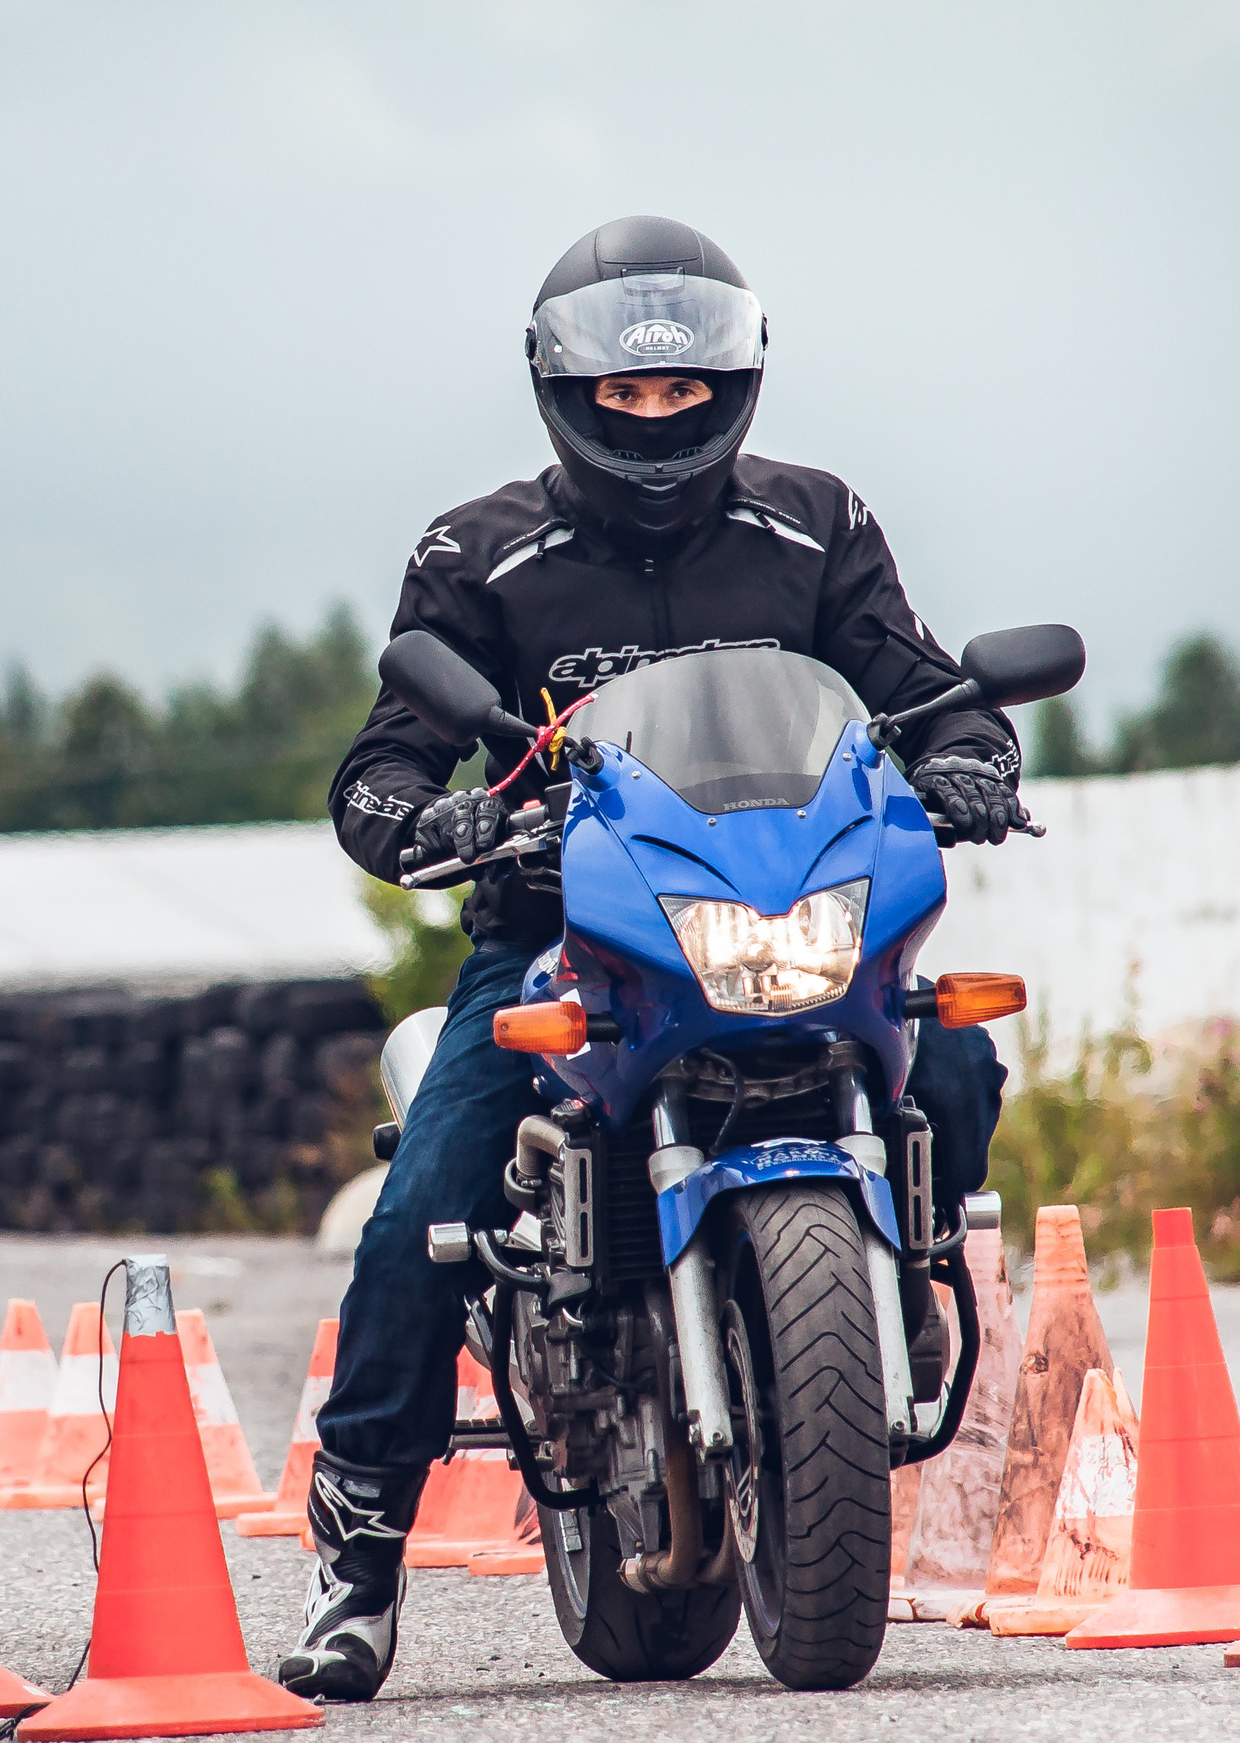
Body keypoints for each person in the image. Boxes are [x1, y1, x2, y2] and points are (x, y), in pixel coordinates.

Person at [281, 217, 1019, 1701]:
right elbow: (383, 761)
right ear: (567, 393)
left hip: (788, 906)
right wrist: (430, 813)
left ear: (733, 382)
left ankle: (912, 1273)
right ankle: (358, 1550)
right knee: (424, 1199)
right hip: (565, 932)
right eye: (627, 398)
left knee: (954, 1055)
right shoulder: (478, 553)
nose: (657, 418)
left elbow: (932, 694)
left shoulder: (817, 524)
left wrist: (974, 758)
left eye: (683, 393)